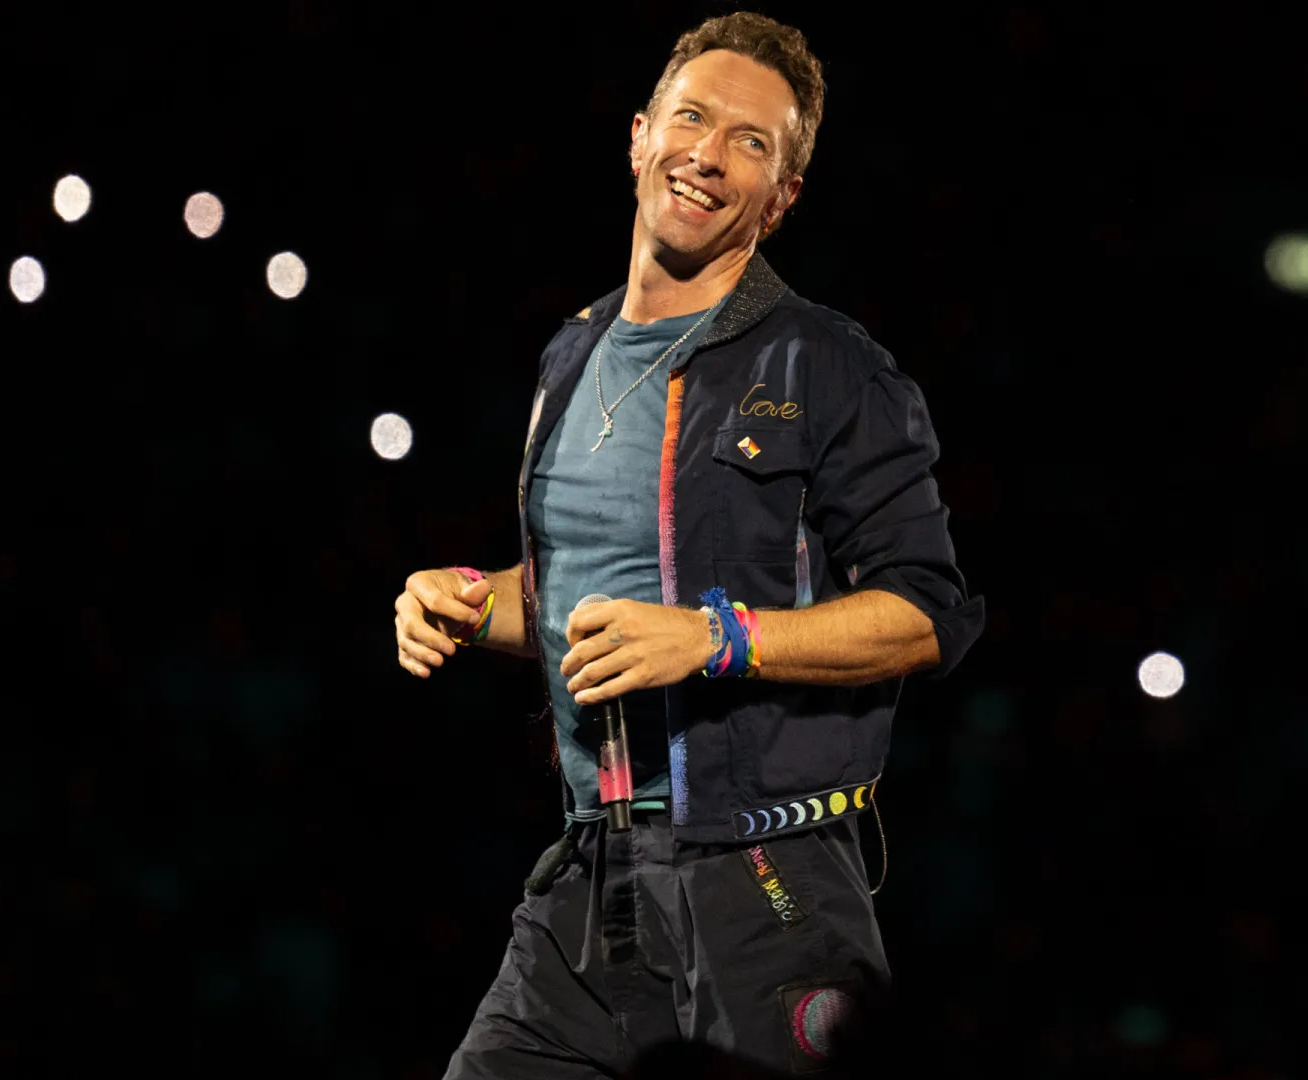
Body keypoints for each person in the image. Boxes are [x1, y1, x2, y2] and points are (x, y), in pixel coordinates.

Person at [393, 13, 983, 1077]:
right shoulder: (571, 354)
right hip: (591, 882)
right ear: (639, 136)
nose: (708, 155)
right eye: (692, 119)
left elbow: (926, 614)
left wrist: (715, 639)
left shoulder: (826, 363)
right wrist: (470, 600)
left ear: (782, 195)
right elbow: (588, 596)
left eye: (750, 142)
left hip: (766, 876)